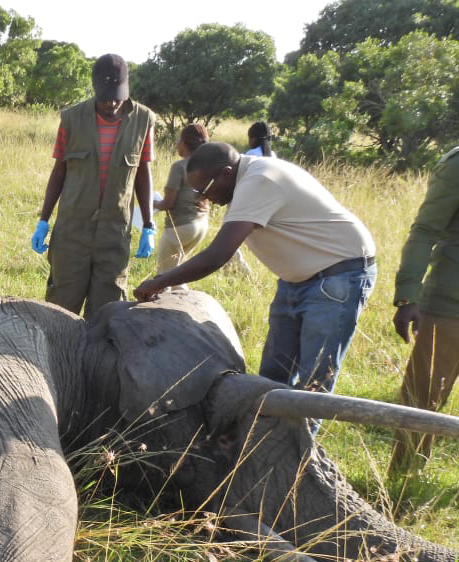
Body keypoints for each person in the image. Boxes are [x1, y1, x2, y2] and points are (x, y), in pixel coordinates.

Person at [134, 142, 377, 396]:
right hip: (296, 280)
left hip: (339, 275)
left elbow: (218, 255)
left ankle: (300, 435)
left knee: (313, 382)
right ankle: (264, 433)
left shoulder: (259, 180)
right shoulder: (245, 180)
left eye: (204, 190)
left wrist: (161, 281)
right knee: (273, 373)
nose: (201, 198)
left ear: (226, 173)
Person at [31, 53, 157, 317]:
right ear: (95, 88)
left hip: (114, 232)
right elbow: (60, 170)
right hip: (71, 231)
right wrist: (44, 220)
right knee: (59, 310)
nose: (111, 103)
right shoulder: (71, 118)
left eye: (118, 96)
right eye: (105, 96)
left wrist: (148, 224)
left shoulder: (144, 120)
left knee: (107, 312)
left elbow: (143, 172)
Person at [388, 146, 459, 475]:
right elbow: (425, 230)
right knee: (422, 403)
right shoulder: (457, 164)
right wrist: (407, 296)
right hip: (451, 306)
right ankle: (403, 488)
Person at [153, 123, 211, 280]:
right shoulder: (207, 165)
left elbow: (168, 204)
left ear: (184, 143)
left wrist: (153, 204)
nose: (176, 144)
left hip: (180, 227)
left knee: (163, 276)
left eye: (178, 140)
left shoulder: (179, 167)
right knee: (178, 273)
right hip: (200, 226)